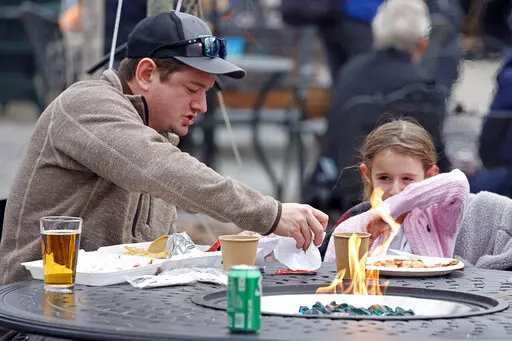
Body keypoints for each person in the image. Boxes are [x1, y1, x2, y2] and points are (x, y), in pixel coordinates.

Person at [0, 11, 328, 285]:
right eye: (192, 89)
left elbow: (156, 248)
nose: (202, 106)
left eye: (207, 92)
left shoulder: (160, 132)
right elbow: (160, 167)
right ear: (146, 74)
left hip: (115, 305)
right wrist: (269, 214)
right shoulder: (86, 104)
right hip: (36, 309)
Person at [303, 0, 450, 216]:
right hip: (401, 197)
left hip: (341, 187)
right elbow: (436, 155)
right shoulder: (425, 88)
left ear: (375, 35)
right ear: (423, 44)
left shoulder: (350, 73)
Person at [323, 120, 512, 271]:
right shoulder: (354, 225)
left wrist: (390, 209)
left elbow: (458, 183)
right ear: (367, 174)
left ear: (430, 176)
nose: (396, 190)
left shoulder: (437, 217)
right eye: (384, 178)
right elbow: (332, 275)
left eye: (407, 179)